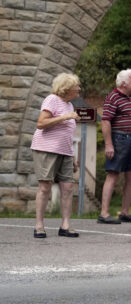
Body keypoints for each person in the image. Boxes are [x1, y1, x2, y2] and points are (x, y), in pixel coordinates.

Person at [30, 73, 82, 239]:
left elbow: (67, 134)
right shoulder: (52, 100)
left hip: (65, 152)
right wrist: (65, 117)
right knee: (45, 187)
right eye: (77, 86)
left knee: (68, 187)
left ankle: (65, 225)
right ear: (67, 88)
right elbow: (41, 123)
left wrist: (72, 157)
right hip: (47, 149)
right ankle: (39, 226)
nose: (79, 89)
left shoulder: (69, 105)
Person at [98, 69, 131, 225]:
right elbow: (105, 121)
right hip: (120, 139)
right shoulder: (113, 97)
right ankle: (104, 213)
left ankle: (125, 212)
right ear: (123, 83)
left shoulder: (129, 98)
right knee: (113, 174)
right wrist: (109, 144)